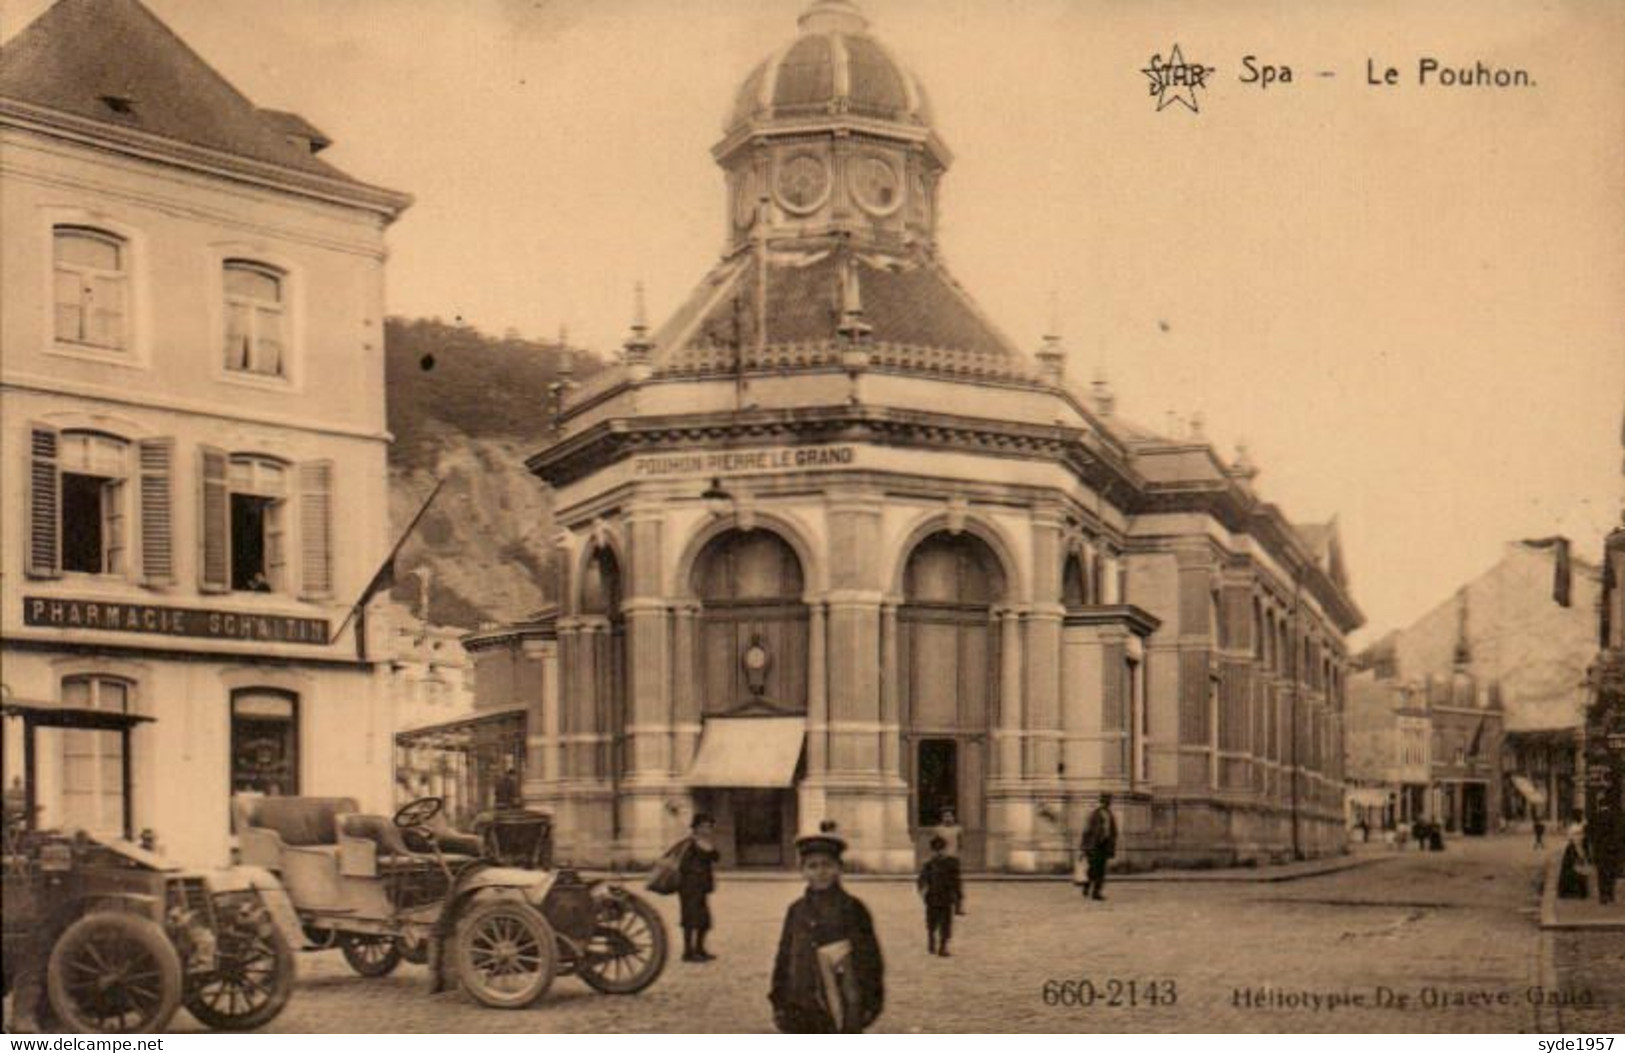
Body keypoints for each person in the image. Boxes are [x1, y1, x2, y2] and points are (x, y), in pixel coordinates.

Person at [769, 825, 884, 1033]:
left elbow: (870, 958)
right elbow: (784, 955)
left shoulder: (852, 908)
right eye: (812, 866)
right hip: (801, 1004)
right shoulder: (796, 910)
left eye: (827, 865)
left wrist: (871, 1002)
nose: (820, 872)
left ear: (839, 868)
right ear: (802, 871)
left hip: (843, 1003)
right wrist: (778, 1000)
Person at [679, 813, 722, 963]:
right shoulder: (689, 844)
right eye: (705, 826)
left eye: (710, 826)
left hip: (700, 887)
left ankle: (699, 949)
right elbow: (683, 865)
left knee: (703, 920)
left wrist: (708, 846)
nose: (708, 829)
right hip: (689, 887)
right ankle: (687, 952)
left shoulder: (703, 842)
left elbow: (716, 857)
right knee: (690, 920)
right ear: (697, 827)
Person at [917, 835, 963, 957]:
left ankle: (943, 947)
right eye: (936, 850)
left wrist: (958, 901)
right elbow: (921, 880)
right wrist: (922, 892)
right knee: (932, 923)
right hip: (932, 898)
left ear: (945, 849)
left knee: (946, 924)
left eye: (941, 849)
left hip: (946, 898)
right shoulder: (929, 864)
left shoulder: (952, 863)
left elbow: (957, 882)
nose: (939, 852)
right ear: (932, 851)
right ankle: (931, 941)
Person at [1078, 793, 1118, 901]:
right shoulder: (1094, 814)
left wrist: (1111, 844)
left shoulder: (1110, 815)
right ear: (1101, 801)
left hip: (1104, 846)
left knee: (1101, 870)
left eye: (1109, 800)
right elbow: (1087, 831)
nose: (1108, 802)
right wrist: (1083, 847)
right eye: (1106, 800)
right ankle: (1087, 885)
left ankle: (1096, 892)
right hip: (1093, 846)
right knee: (1093, 870)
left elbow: (1113, 831)